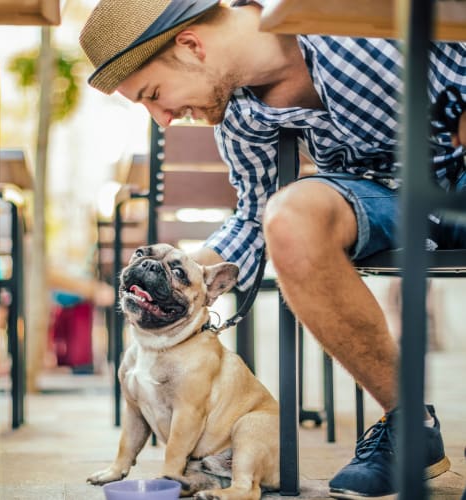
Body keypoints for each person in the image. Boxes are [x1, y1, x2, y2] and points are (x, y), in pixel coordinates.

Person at [79, 1, 466, 498]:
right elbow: (251, 216)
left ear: (192, 45)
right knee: (286, 217)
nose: (164, 120)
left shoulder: (348, 25)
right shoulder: (238, 115)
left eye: (154, 95)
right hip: (391, 201)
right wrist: (183, 280)